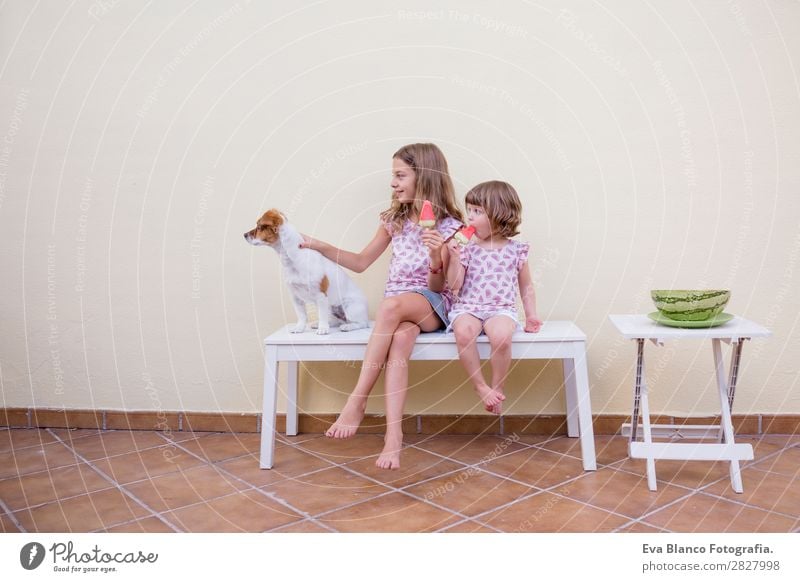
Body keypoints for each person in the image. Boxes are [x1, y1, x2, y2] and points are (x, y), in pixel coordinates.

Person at [300, 143, 463, 469]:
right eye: (394, 176)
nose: (393, 183)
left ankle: (357, 400)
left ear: (425, 177)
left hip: (433, 304)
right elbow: (360, 262)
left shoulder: (451, 228)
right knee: (400, 341)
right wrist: (318, 246)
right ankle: (393, 439)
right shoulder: (395, 221)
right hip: (400, 308)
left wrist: (436, 257)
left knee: (388, 308)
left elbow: (440, 286)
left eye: (400, 175)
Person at [445, 180, 542, 415]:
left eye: (477, 212)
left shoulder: (516, 250)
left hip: (501, 308)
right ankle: (480, 386)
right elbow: (455, 285)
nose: (470, 217)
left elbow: (526, 286)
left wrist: (531, 315)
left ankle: (497, 388)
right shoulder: (467, 248)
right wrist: (455, 258)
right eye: (469, 211)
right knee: (464, 332)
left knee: (501, 337)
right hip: (468, 306)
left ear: (499, 215)